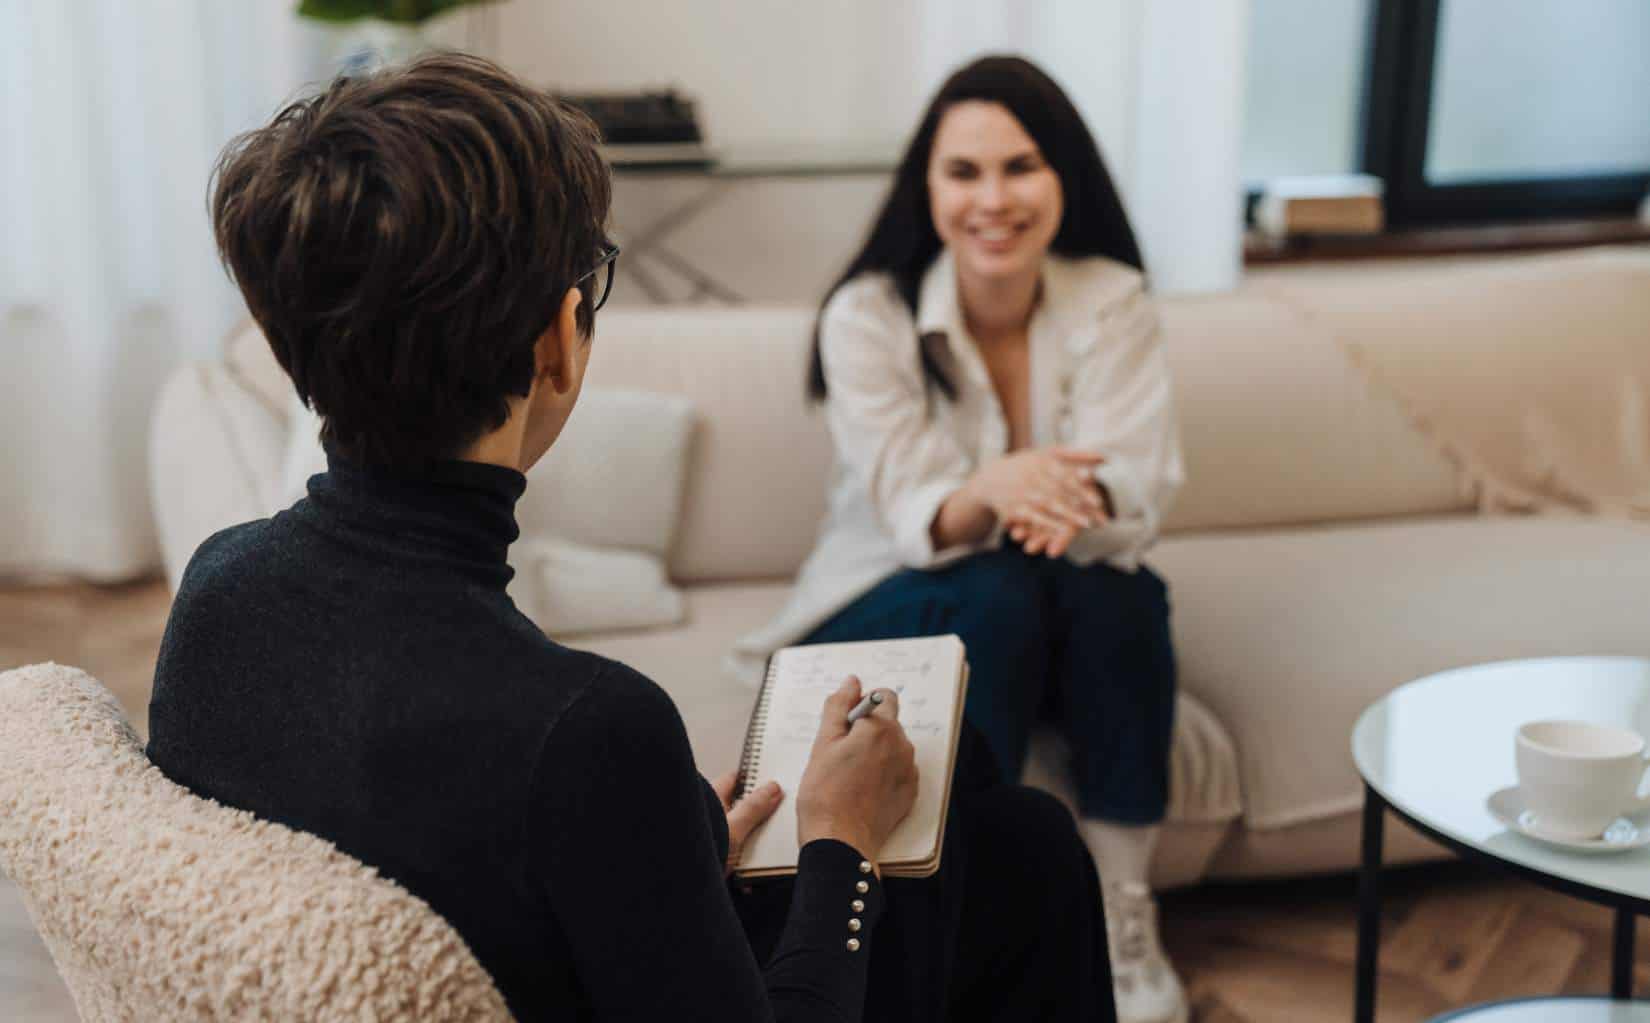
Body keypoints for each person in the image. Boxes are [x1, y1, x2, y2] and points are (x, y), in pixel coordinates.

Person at [147, 54, 1116, 1022]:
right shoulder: (588, 730)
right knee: (1024, 850)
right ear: (560, 341)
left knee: (1013, 840)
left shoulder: (219, 590)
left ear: (287, 342)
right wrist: (838, 843)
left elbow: (445, 834)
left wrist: (665, 849)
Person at [734, 55, 1186, 1023]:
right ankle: (959, 898)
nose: (994, 199)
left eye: (1019, 167)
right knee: (997, 590)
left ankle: (1120, 911)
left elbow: (1137, 486)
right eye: (964, 172)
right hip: (885, 599)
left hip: (1063, 589)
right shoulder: (868, 314)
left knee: (1123, 593)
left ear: (1064, 177)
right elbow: (916, 512)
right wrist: (1005, 490)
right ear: (926, 188)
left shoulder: (1112, 299)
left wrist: (1027, 496)